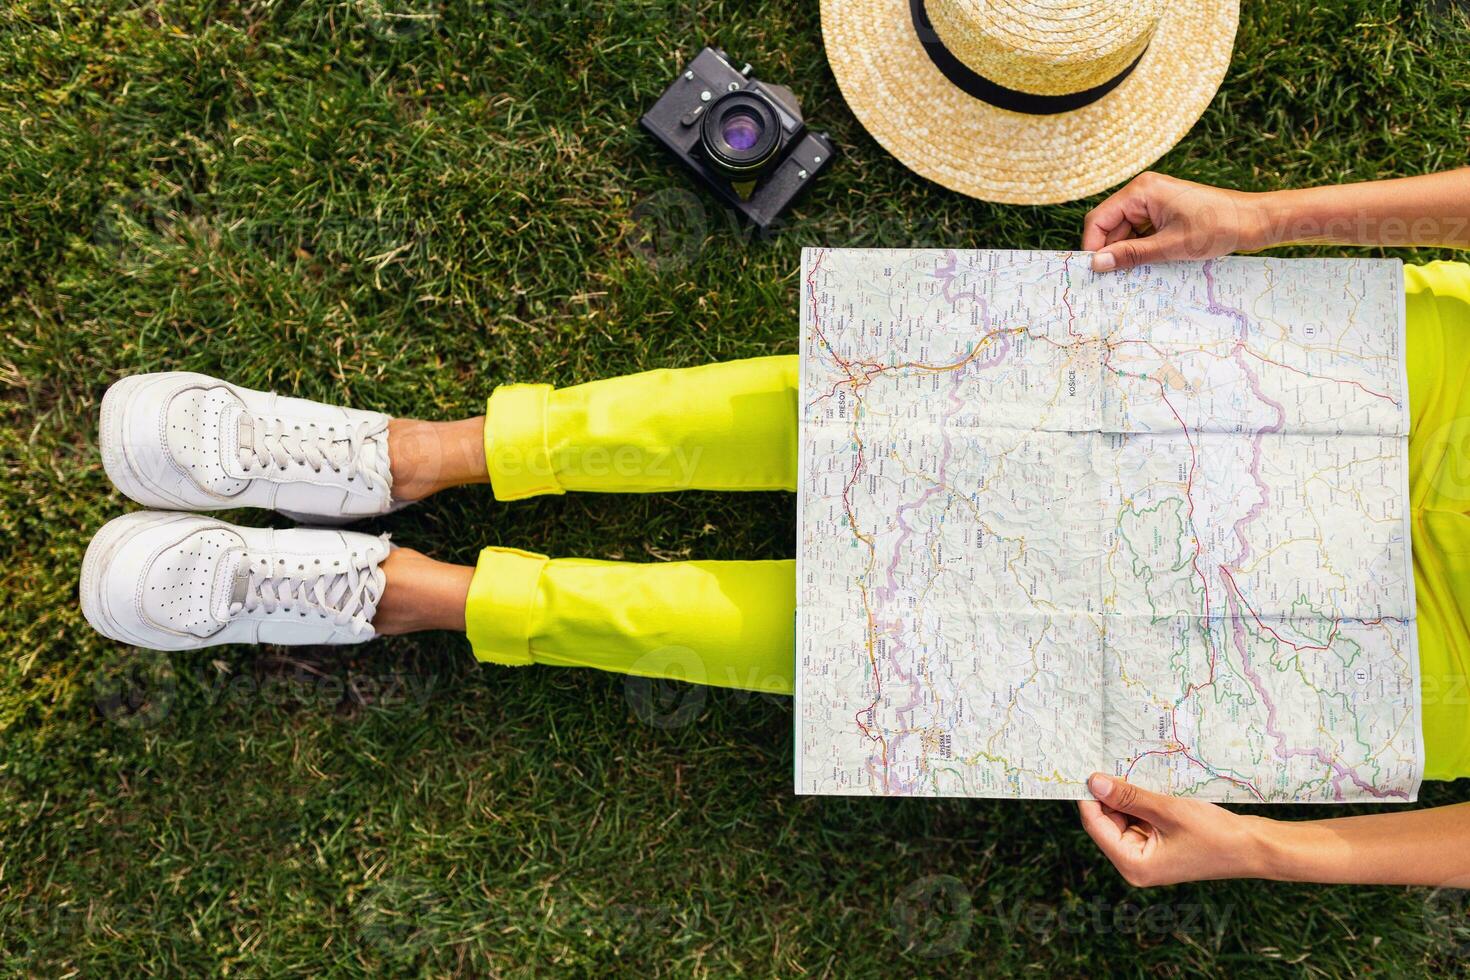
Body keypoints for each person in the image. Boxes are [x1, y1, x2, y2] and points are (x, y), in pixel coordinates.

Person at [81, 168, 1470, 889]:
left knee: (905, 658)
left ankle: (398, 589)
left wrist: (1278, 848)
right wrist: (1270, 219)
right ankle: (415, 452)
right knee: (900, 406)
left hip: (1409, 662)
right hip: (1402, 378)